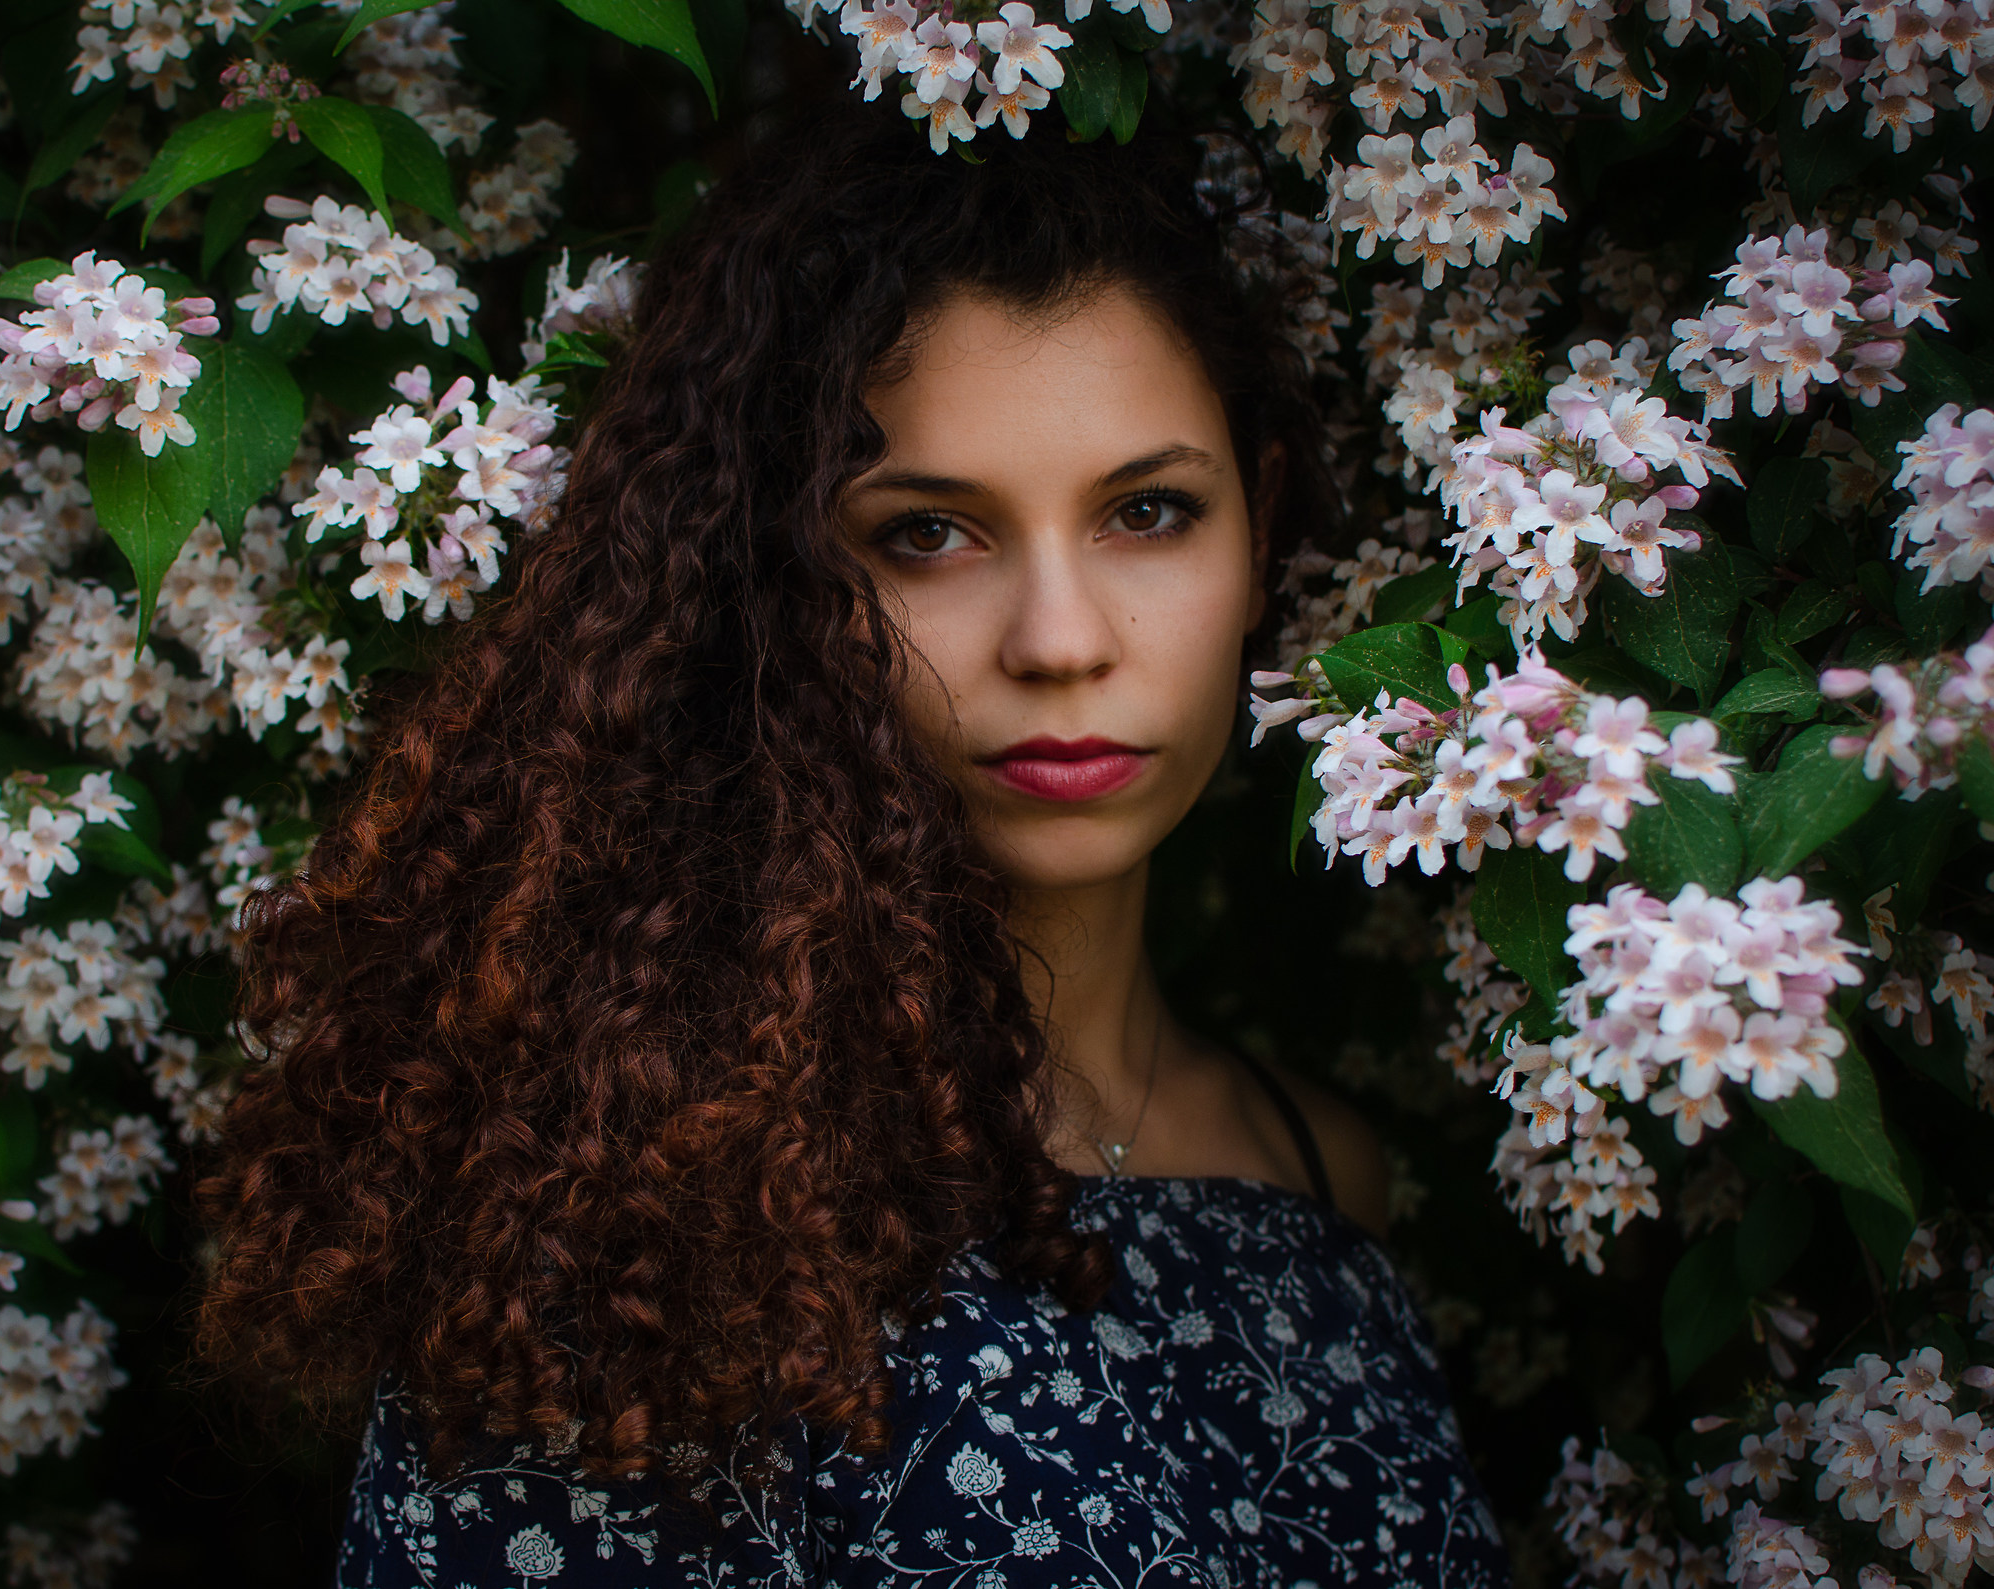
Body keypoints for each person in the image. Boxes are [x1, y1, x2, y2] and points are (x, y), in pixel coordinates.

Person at [195, 102, 1512, 1589]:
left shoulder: (1323, 1176)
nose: (1063, 641)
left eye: (1149, 511)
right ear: (775, 589)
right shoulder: (629, 1222)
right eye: (927, 535)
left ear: (1259, 531)